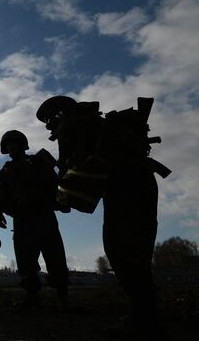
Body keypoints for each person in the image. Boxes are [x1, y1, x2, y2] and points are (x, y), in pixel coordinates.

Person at [36, 96, 168, 337]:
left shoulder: (72, 126)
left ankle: (144, 319)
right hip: (136, 184)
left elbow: (74, 170)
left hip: (126, 188)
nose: (47, 126)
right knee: (134, 251)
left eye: (48, 119)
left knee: (122, 251)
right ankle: (146, 315)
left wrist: (60, 187)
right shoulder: (93, 124)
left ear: (59, 113)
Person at [0, 130, 69, 309]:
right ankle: (32, 298)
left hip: (43, 216)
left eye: (14, 143)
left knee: (55, 256)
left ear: (22, 145)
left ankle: (63, 298)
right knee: (25, 260)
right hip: (22, 219)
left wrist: (57, 200)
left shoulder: (38, 162)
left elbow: (54, 183)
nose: (11, 147)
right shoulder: (6, 170)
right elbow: (0, 193)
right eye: (8, 145)